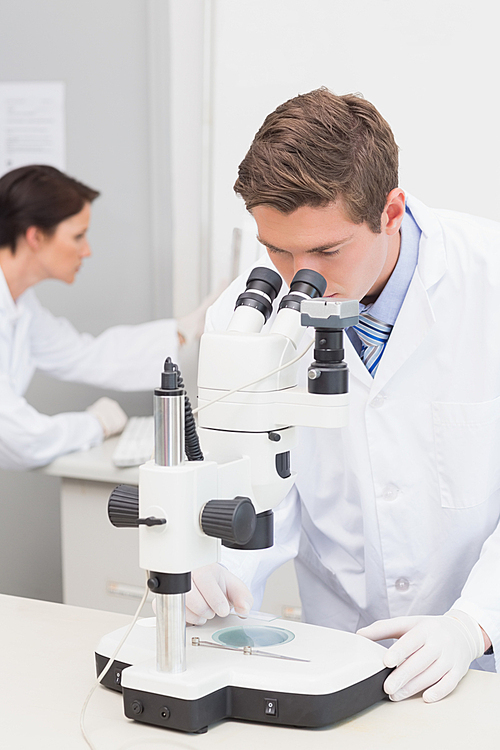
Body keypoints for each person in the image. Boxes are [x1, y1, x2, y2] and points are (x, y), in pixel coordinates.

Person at [185, 88, 500, 705]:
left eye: (327, 250)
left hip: (484, 659)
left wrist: (475, 623)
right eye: (277, 249)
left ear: (390, 210)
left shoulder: (488, 282)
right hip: (341, 661)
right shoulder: (243, 321)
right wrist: (216, 566)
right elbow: (260, 490)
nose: (302, 280)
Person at [0, 164, 209, 470]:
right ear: (36, 237)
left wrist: (186, 329)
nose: (87, 251)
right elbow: (22, 439)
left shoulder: (21, 304)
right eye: (78, 236)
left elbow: (84, 355)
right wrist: (95, 424)